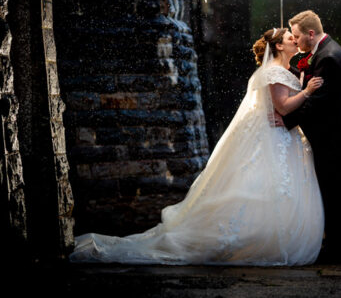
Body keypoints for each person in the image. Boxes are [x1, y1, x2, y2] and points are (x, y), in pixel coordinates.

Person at [69, 28, 325, 265]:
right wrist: (307, 92)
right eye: (290, 37)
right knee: (265, 185)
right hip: (274, 138)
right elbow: (282, 107)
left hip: (281, 135)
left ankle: (266, 233)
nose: (296, 40)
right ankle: (254, 238)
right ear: (279, 45)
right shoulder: (274, 72)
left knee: (271, 187)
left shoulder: (283, 71)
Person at [282, 10, 341, 265]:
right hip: (328, 135)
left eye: (297, 36)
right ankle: (331, 246)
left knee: (333, 193)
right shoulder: (321, 52)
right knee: (329, 191)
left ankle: (334, 251)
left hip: (332, 138)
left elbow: (318, 102)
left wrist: (285, 121)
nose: (295, 41)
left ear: (311, 33)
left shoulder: (329, 57)